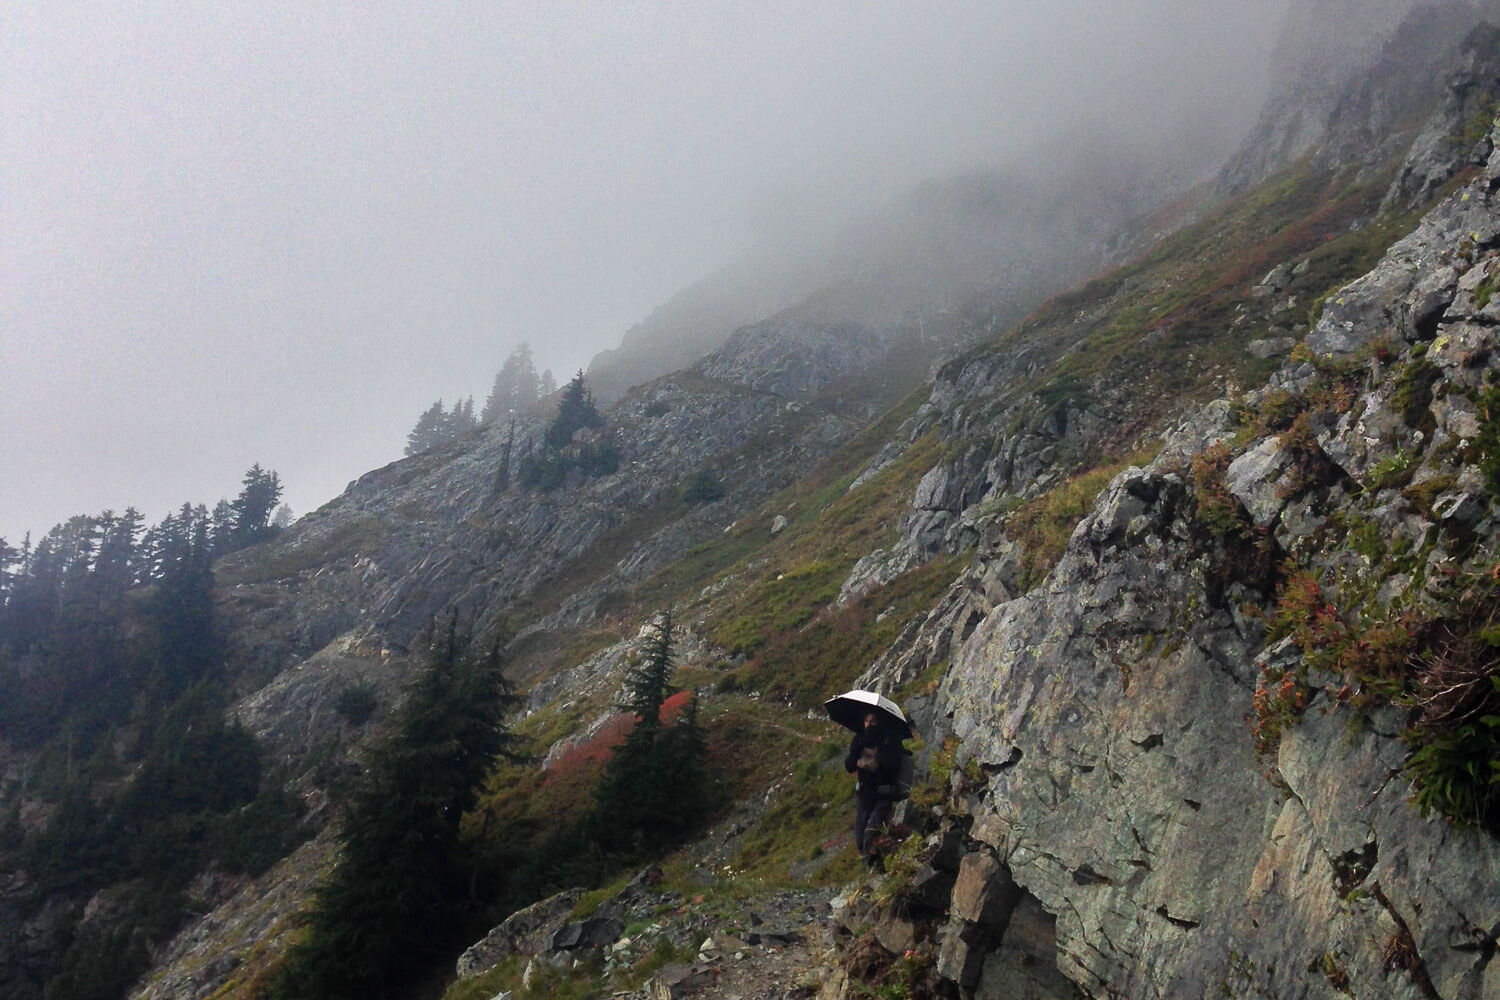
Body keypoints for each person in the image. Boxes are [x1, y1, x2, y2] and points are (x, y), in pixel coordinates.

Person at [844, 710, 902, 869]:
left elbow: (893, 766)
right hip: (864, 795)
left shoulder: (890, 739)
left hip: (884, 795)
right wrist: (857, 749)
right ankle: (874, 866)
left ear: (880, 723)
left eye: (873, 721)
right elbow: (849, 766)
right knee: (860, 837)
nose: (869, 725)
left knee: (871, 833)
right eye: (866, 721)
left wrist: (878, 753)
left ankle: (879, 868)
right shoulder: (859, 739)